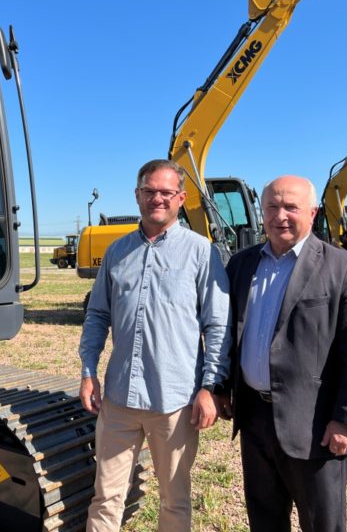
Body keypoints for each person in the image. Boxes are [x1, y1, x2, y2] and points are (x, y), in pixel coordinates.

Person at [78, 159, 232, 532]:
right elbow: (98, 315)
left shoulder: (201, 252)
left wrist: (209, 388)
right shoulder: (116, 252)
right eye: (149, 192)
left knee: (174, 499)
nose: (157, 199)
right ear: (137, 196)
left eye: (166, 192)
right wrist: (88, 372)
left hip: (175, 401)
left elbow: (217, 325)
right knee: (106, 497)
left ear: (181, 198)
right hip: (118, 399)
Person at [225, 175, 347, 532]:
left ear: (311, 213)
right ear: (261, 212)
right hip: (254, 418)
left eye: (291, 207)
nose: (280, 215)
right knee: (264, 519)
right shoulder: (241, 265)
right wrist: (221, 387)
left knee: (321, 522)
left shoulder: (342, 266)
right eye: (272, 207)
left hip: (314, 423)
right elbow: (229, 333)